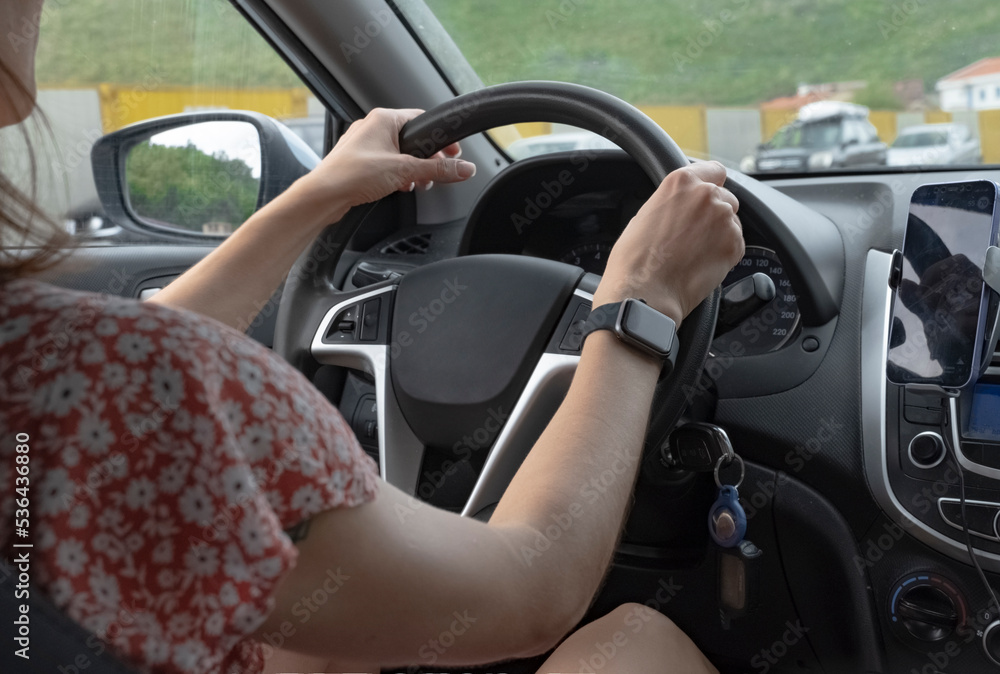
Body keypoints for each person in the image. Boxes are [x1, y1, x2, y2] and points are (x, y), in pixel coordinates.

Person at [0, 1, 744, 672]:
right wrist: (640, 300)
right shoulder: (100, 383)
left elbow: (119, 380)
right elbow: (530, 592)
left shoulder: (62, 372)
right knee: (634, 644)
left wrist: (322, 193)